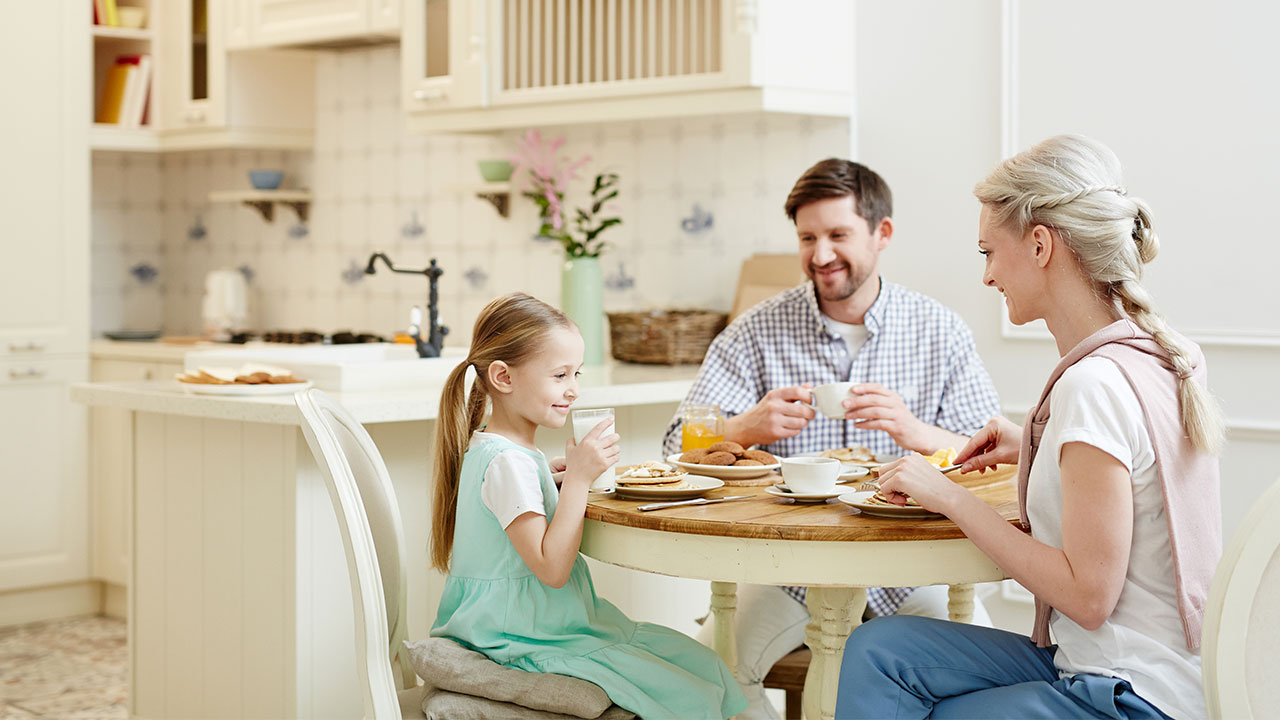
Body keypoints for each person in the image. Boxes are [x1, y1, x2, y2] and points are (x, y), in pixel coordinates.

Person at [836, 134, 1224, 719]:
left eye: (989, 252)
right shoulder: (1153, 358)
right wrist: (1036, 449)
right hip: (1125, 662)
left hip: (1131, 692)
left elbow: (1087, 598)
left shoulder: (1093, 385)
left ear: (1041, 245)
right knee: (878, 649)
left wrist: (949, 498)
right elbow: (1133, 483)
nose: (987, 276)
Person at [662, 158, 1001, 719]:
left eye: (838, 235)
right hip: (787, 570)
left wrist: (913, 432)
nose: (820, 255)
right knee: (703, 679)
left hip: (914, 567)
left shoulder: (939, 330)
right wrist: (746, 426)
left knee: (989, 682)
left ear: (881, 233)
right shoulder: (756, 329)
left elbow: (993, 457)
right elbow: (676, 445)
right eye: (807, 238)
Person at [429, 292, 747, 720]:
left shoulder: (507, 453)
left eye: (575, 374)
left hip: (533, 624)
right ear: (503, 377)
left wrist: (555, 481)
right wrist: (578, 479)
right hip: (518, 635)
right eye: (559, 375)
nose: (573, 390)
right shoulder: (506, 462)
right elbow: (552, 568)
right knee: (686, 687)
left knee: (700, 663)